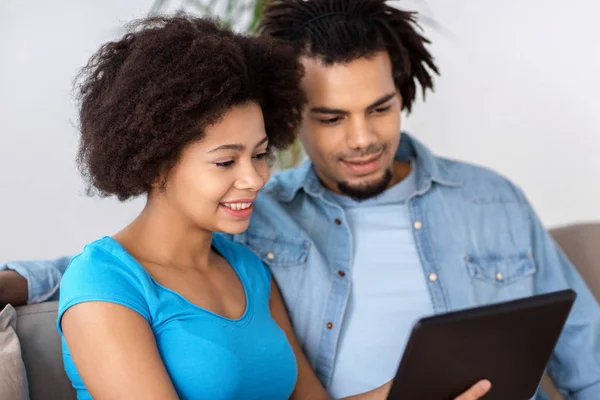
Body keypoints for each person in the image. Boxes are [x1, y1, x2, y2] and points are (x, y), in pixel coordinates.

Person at [2, 1, 599, 399]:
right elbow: (114, 269)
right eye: (332, 116)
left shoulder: (247, 265)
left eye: (380, 108)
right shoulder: (255, 221)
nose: (362, 138)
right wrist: (15, 280)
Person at [38, 14, 333, 400]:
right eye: (226, 162)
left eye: (260, 155)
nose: (256, 178)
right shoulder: (105, 280)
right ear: (158, 162)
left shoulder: (248, 269)